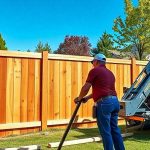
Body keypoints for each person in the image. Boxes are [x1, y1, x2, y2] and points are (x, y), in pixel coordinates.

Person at [74, 53, 125, 150]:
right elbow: (102, 90)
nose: (92, 64)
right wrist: (87, 98)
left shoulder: (95, 71)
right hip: (115, 102)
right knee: (115, 130)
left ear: (96, 61)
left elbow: (86, 88)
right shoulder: (110, 73)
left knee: (106, 132)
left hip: (105, 104)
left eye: (93, 62)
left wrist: (79, 98)